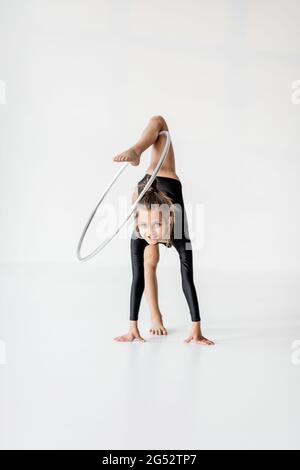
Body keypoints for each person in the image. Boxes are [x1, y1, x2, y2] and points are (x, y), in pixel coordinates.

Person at [113, 115, 214, 345]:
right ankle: (155, 315)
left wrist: (196, 328)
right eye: (144, 227)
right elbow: (136, 279)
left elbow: (188, 279)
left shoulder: (179, 230)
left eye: (157, 226)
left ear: (170, 218)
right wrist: (132, 328)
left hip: (163, 174)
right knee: (148, 259)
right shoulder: (142, 231)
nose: (149, 233)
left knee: (158, 121)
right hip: (144, 196)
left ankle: (137, 150)